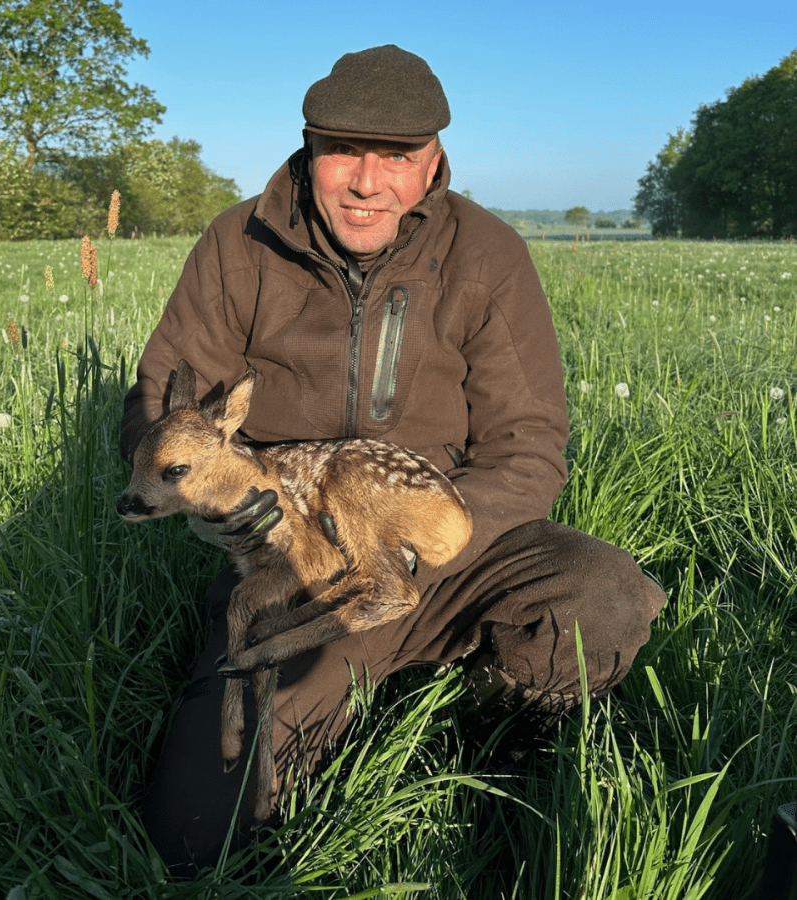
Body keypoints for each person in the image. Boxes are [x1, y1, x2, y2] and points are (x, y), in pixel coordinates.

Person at [120, 44, 666, 876]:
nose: (368, 182)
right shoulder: (238, 247)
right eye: (344, 151)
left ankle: (493, 718)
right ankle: (342, 687)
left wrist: (423, 545)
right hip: (297, 556)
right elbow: (159, 412)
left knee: (603, 593)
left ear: (434, 161)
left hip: (451, 534)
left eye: (397, 158)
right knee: (199, 836)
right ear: (309, 148)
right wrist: (222, 508)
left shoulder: (486, 256)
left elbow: (528, 445)